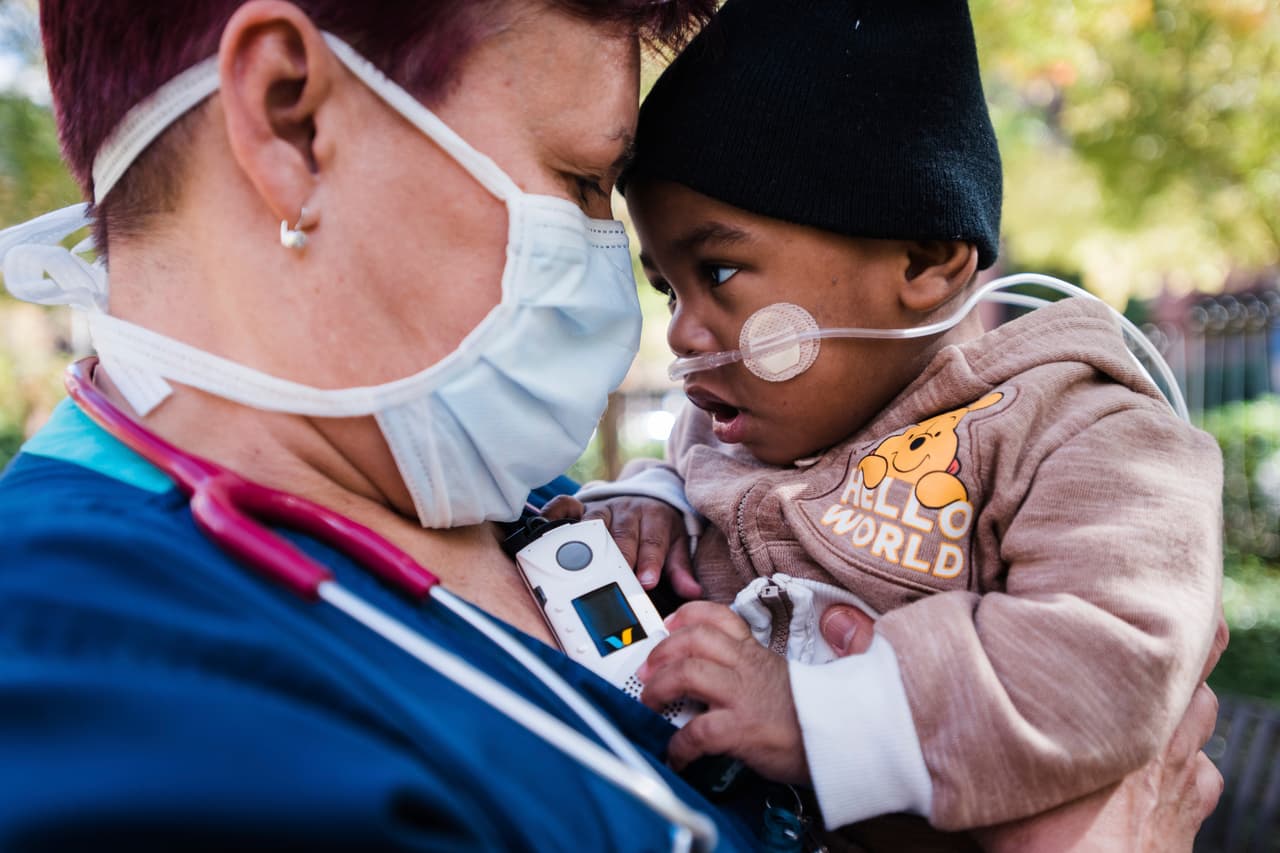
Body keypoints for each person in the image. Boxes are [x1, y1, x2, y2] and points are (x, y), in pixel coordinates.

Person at [0, 1, 1222, 850]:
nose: (670, 325)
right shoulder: (86, 679)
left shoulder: (513, 505)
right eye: (583, 179)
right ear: (292, 116)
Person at [548, 0, 1227, 848]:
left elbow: (1112, 656)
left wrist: (815, 717)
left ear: (923, 262)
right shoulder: (735, 426)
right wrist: (652, 507)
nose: (683, 330)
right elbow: (696, 487)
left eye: (719, 269)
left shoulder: (1080, 435)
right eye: (669, 287)